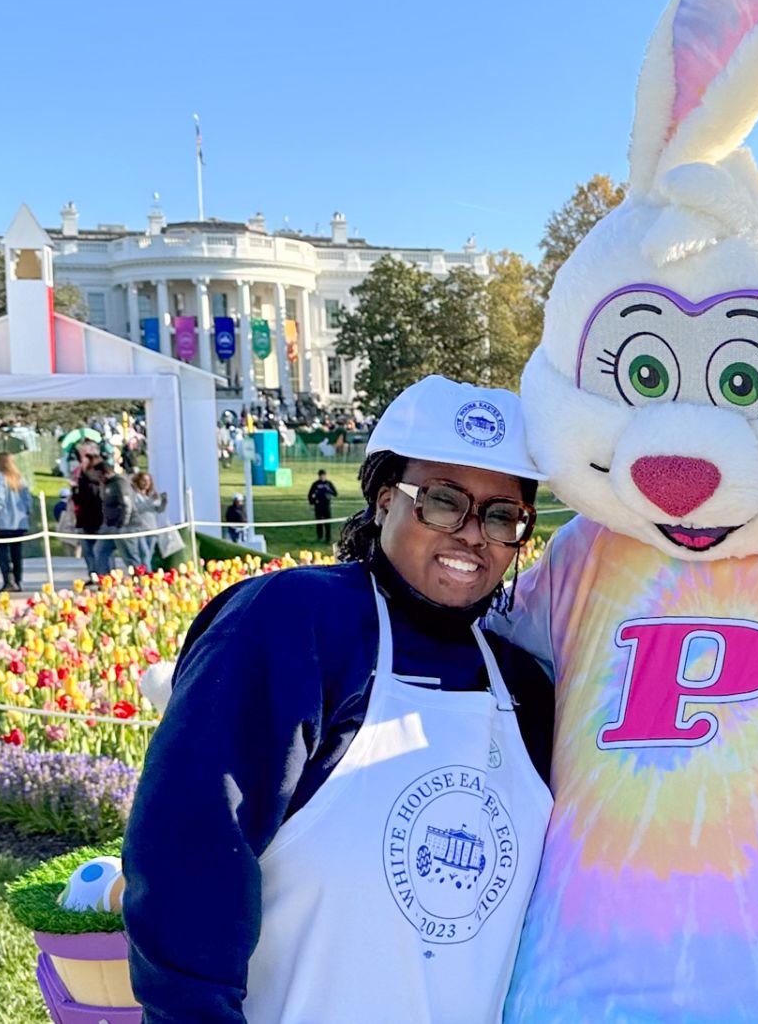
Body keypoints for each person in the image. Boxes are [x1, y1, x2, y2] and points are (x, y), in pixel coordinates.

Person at [125, 376, 553, 1024]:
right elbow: (188, 863)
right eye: (443, 501)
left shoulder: (524, 688)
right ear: (384, 500)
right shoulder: (294, 624)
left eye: (502, 516)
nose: (473, 534)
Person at [0, 453, 35, 593]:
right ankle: (18, 580)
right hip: (19, 523)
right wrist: (26, 513)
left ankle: (8, 580)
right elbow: (28, 499)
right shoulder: (20, 478)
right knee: (16, 553)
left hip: (3, 521)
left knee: (2, 553)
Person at [101, 462, 149, 574]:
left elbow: (127, 505)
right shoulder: (109, 484)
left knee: (131, 555)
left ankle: (139, 578)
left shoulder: (119, 483)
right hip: (114, 525)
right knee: (101, 550)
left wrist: (122, 524)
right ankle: (104, 577)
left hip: (125, 527)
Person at [132, 472, 183, 568]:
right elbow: (138, 508)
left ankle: (144, 574)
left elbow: (159, 510)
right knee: (144, 555)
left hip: (152, 530)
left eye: (149, 481)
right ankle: (147, 575)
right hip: (140, 530)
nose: (146, 483)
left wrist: (164, 501)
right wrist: (151, 500)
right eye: (144, 480)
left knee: (149, 556)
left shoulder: (149, 496)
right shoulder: (135, 496)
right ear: (138, 481)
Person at [73, 450, 108, 577]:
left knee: (93, 549)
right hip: (93, 518)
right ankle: (98, 574)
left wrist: (75, 491)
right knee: (93, 550)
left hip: (89, 518)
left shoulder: (87, 481)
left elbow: (83, 499)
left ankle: (96, 573)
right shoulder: (97, 480)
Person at [307, 468, 339, 543]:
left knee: (327, 522)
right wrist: (312, 502)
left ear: (325, 476)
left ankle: (328, 538)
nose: (322, 477)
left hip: (326, 505)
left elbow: (335, 493)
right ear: (319, 476)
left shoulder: (329, 484)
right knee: (319, 522)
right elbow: (310, 494)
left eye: (323, 476)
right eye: (321, 476)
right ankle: (319, 536)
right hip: (318, 505)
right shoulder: (315, 484)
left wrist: (328, 491)